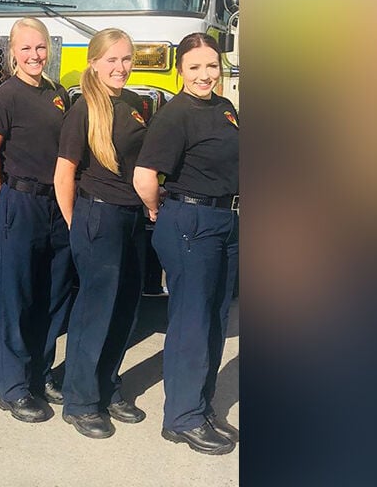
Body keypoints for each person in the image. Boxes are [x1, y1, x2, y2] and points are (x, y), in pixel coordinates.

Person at [133, 32, 240, 456]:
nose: (204, 75)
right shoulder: (175, 115)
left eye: (211, 66)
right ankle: (181, 417)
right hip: (190, 221)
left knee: (215, 318)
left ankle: (200, 404)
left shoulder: (225, 108)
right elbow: (145, 177)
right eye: (194, 67)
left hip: (225, 220)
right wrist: (162, 210)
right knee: (191, 321)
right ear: (180, 70)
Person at [53, 28, 150, 439]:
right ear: (93, 63)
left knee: (125, 310)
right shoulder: (82, 110)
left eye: (126, 58)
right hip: (99, 218)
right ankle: (79, 401)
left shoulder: (133, 104)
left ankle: (107, 387)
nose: (120, 67)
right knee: (95, 313)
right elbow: (63, 174)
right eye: (111, 59)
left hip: (131, 219)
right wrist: (79, 226)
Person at [0, 18, 74, 423]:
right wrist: (10, 190)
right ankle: (13, 387)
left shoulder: (57, 94)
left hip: (58, 204)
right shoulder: (5, 97)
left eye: (40, 48)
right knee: (17, 297)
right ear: (12, 52)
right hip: (22, 202)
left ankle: (40, 372)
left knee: (54, 295)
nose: (35, 56)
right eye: (26, 48)